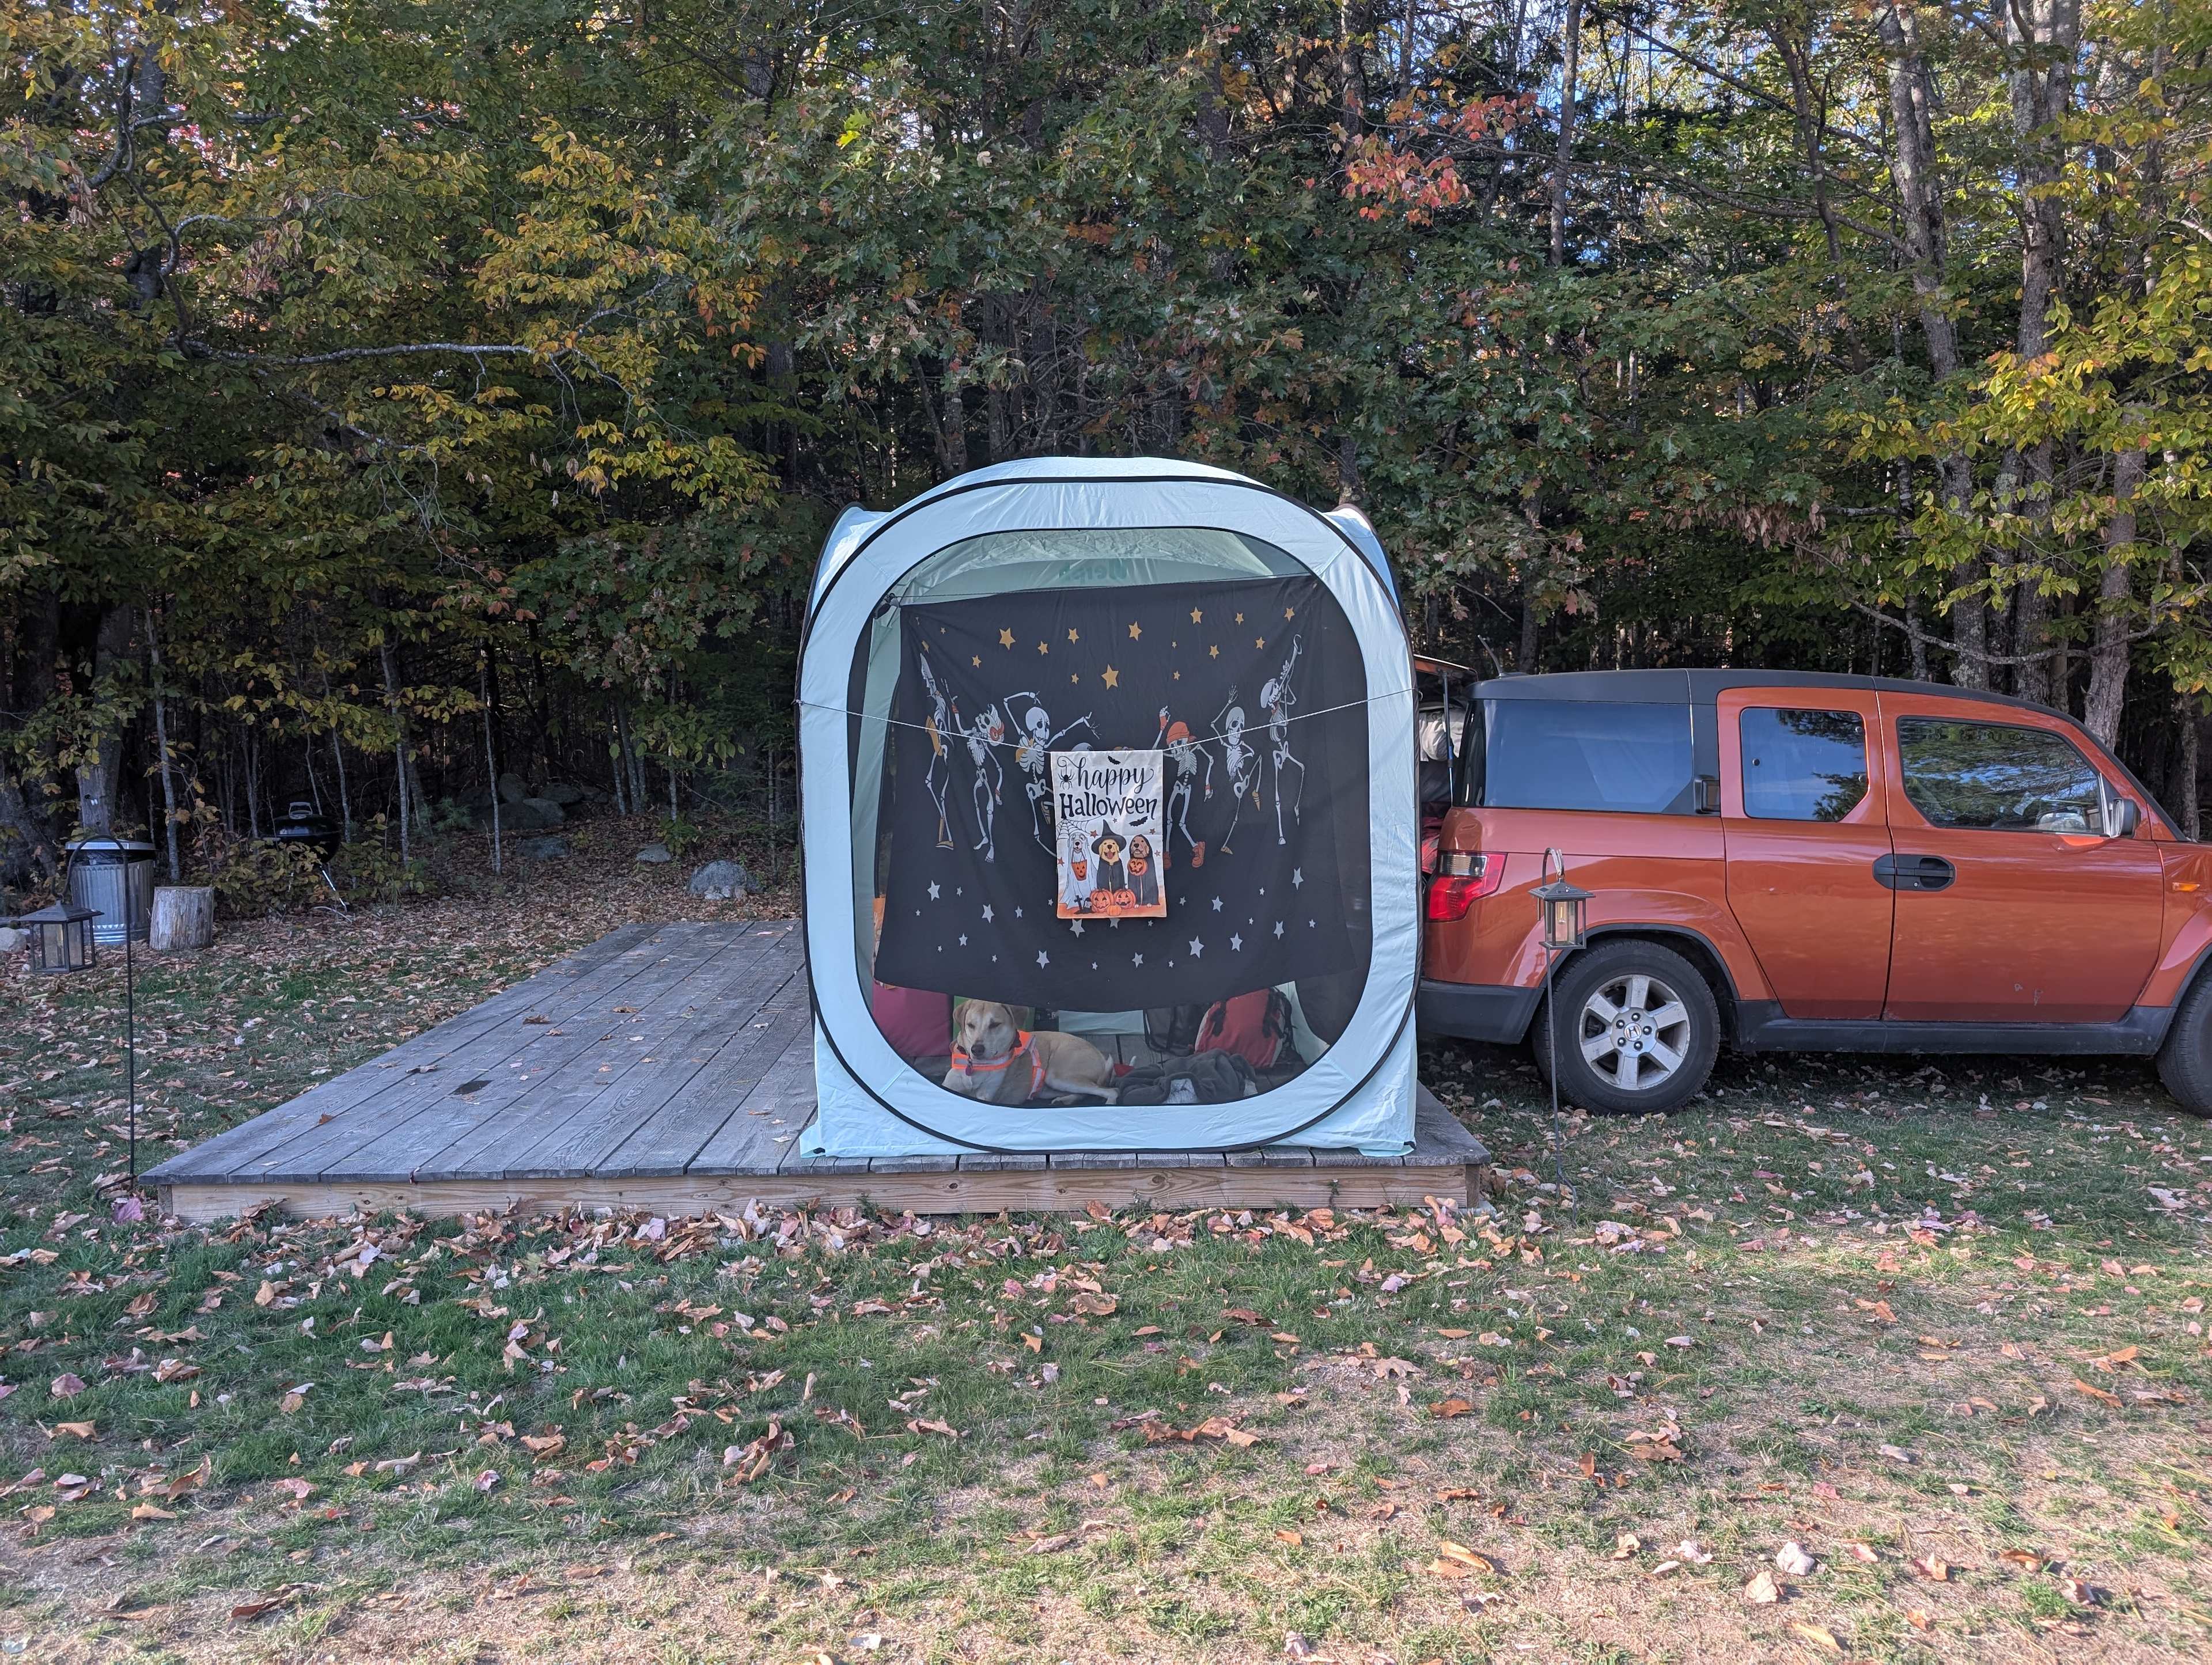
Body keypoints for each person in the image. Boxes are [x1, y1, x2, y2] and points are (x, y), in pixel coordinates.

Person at [1127, 832, 1160, 908]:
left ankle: (1151, 900)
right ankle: (1135, 901)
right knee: (1133, 883)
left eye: (1142, 842)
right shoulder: (1131, 863)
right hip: (1134, 862)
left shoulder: (1150, 863)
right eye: (1134, 842)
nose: (1137, 844)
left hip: (1147, 863)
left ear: (1147, 848)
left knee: (1150, 881)